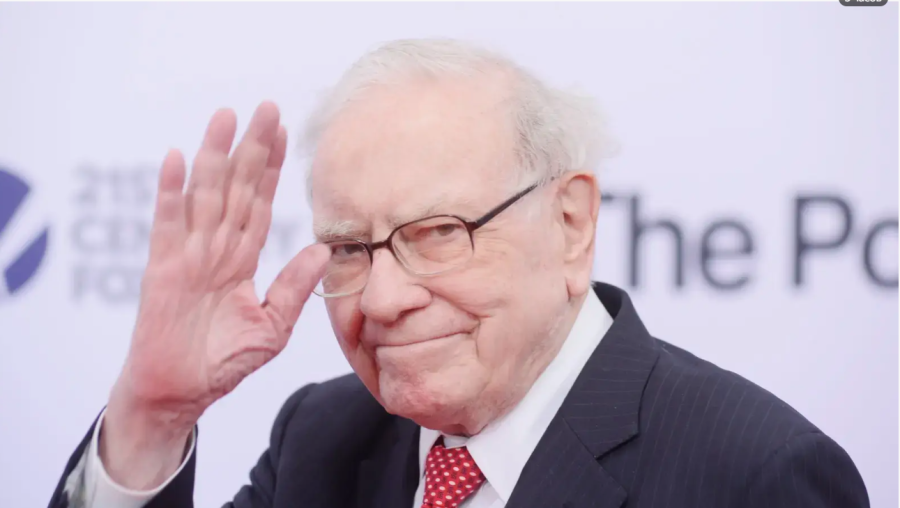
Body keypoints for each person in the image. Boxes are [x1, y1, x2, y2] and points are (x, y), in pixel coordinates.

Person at [49, 39, 868, 508]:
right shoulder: (323, 441)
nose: (382, 298)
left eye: (439, 233)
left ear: (572, 224)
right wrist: (152, 418)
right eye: (349, 248)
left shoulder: (756, 474)